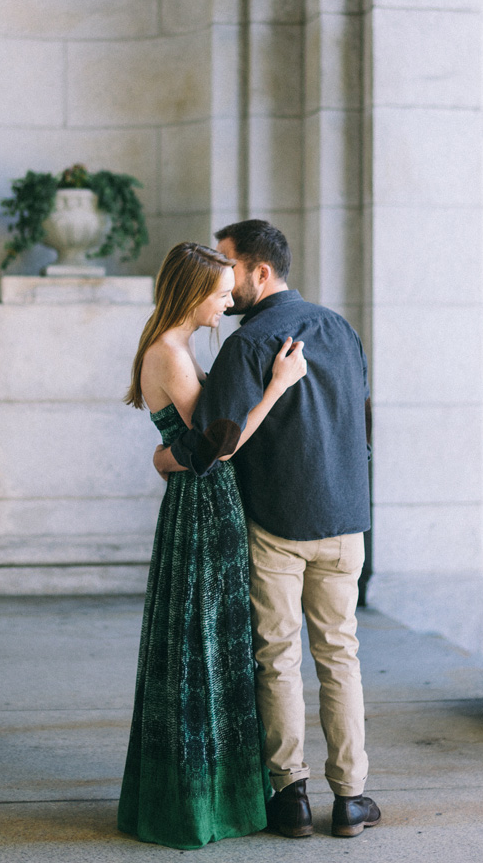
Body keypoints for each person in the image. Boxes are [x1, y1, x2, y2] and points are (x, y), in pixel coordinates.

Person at [156, 220, 381, 840]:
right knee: (341, 656)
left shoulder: (247, 345)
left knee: (277, 657)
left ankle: (290, 797)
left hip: (276, 523)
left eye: (229, 267)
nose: (223, 282)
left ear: (260, 271)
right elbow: (363, 426)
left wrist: (165, 457)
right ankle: (353, 798)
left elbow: (216, 439)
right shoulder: (341, 329)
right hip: (345, 522)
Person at [118, 241, 307, 851]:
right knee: (203, 645)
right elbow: (216, 448)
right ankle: (201, 806)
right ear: (192, 291)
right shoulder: (169, 354)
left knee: (208, 643)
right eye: (221, 292)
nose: (229, 302)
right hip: (202, 511)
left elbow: (185, 452)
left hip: (203, 506)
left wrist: (164, 458)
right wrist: (279, 385)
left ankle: (214, 796)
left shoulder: (177, 348)